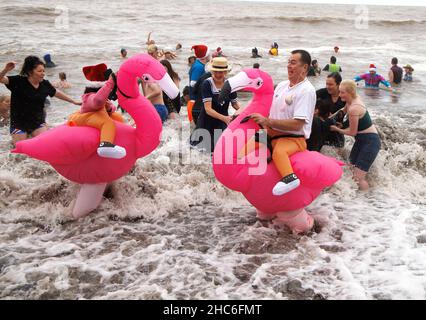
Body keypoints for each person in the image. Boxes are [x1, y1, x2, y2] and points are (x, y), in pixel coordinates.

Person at [242, 49, 316, 196]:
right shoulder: (282, 85)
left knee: (279, 152)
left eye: (293, 63)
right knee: (241, 154)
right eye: (288, 62)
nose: (289, 66)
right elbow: (269, 109)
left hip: (293, 138)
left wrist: (268, 121)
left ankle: (290, 179)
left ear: (305, 67)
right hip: (270, 133)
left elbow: (297, 124)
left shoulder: (307, 90)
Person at [0, 56, 81, 145]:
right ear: (30, 72)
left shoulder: (44, 84)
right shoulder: (18, 81)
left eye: (43, 71)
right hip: (19, 123)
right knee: (21, 151)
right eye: (39, 71)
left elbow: (56, 93)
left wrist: (73, 101)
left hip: (37, 122)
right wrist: (6, 69)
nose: (43, 73)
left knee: (46, 145)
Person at [330, 80, 380, 190]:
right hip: (361, 141)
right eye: (339, 92)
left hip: (370, 142)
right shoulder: (350, 101)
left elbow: (352, 132)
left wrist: (337, 129)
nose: (339, 95)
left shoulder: (354, 108)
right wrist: (329, 119)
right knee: (351, 168)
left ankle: (367, 201)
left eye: (342, 93)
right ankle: (358, 198)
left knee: (358, 177)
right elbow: (343, 110)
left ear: (350, 92)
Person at [68, 64, 126, 159]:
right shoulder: (89, 96)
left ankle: (119, 140)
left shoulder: (102, 97)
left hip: (96, 116)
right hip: (87, 117)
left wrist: (109, 109)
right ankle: (105, 145)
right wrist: (110, 82)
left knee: (117, 117)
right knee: (108, 123)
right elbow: (97, 101)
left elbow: (109, 106)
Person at [190, 57, 240, 152]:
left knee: (221, 148)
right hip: (206, 120)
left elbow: (235, 104)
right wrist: (225, 118)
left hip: (222, 122)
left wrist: (245, 112)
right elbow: (208, 109)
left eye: (221, 72)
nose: (218, 74)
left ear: (225, 72)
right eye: (215, 71)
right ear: (212, 71)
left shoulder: (230, 84)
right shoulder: (207, 84)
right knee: (198, 150)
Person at [308, 72, 346, 150]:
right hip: (322, 127)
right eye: (327, 84)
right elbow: (308, 98)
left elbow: (353, 114)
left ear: (339, 84)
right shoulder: (323, 92)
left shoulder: (344, 96)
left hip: (336, 131)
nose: (328, 87)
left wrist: (344, 125)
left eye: (331, 84)